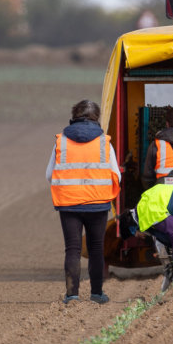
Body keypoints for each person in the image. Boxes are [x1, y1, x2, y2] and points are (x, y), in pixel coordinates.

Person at [46, 100, 121, 304]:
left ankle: (72, 295)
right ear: (97, 118)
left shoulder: (61, 142)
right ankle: (96, 293)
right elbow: (116, 174)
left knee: (72, 249)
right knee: (96, 248)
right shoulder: (105, 142)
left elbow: (49, 175)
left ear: (73, 116)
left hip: (69, 203)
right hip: (98, 203)